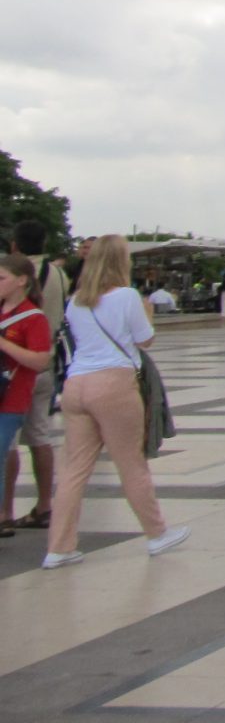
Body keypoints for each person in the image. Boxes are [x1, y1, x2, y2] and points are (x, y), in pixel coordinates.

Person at [42, 236, 191, 568]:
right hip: (113, 384)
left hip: (76, 385)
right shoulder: (126, 296)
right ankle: (157, 534)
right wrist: (148, 314)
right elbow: (145, 340)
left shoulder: (76, 300)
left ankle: (59, 547)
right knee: (131, 464)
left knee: (74, 470)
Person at [6, 220, 67, 534]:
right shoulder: (59, 273)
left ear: (14, 244)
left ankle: (5, 510)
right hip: (45, 365)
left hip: (13, 368)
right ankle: (44, 504)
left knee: (8, 440)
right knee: (40, 436)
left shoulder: (11, 272)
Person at [0, 254, 54, 541]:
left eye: (1, 278)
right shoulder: (3, 311)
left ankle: (4, 513)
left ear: (22, 280)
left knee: (6, 448)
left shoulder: (32, 315)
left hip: (15, 391)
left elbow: (40, 359)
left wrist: (4, 344)